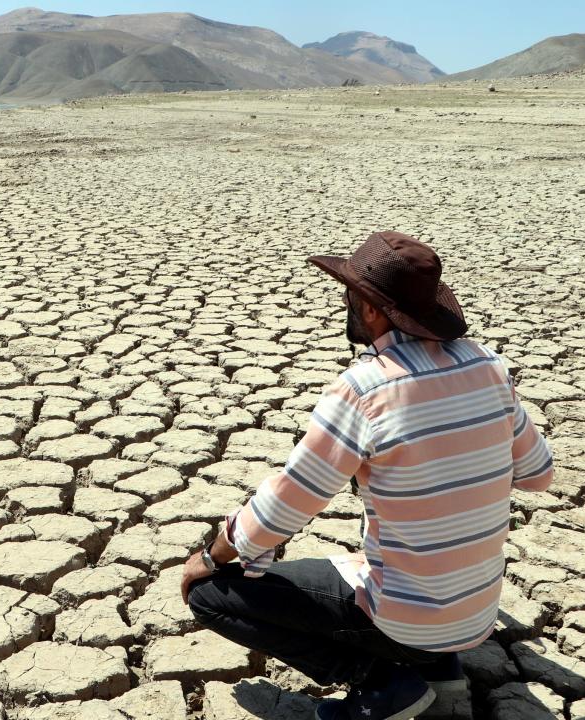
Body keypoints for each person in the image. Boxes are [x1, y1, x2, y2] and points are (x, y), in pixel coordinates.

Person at [183, 232, 554, 720]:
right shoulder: (489, 366)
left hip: (404, 624)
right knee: (393, 560)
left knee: (211, 596)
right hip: (476, 615)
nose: (346, 303)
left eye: (352, 294)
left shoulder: (366, 389)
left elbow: (288, 503)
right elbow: (537, 474)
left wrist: (211, 555)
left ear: (373, 311)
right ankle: (440, 671)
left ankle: (382, 684)